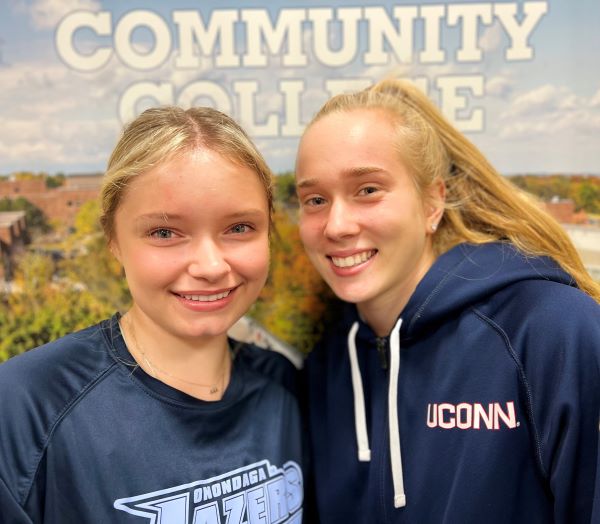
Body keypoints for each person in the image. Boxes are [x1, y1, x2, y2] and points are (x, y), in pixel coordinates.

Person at [295, 78, 600, 523]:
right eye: (315, 199)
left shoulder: (551, 330)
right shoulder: (325, 369)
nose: (336, 225)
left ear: (433, 202)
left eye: (368, 190)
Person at [0, 106, 305, 523]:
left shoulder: (281, 386)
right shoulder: (27, 405)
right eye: (164, 233)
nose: (211, 265)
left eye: (239, 228)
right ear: (114, 240)